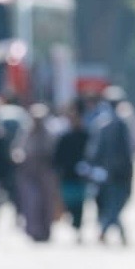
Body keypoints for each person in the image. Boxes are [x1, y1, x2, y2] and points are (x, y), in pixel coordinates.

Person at [86, 89, 135, 245]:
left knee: (113, 204)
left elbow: (94, 151)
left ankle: (108, 231)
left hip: (110, 172)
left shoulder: (104, 124)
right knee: (113, 204)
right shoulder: (114, 124)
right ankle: (107, 231)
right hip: (114, 173)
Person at [12, 104, 60, 242]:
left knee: (47, 203)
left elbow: (53, 152)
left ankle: (46, 230)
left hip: (46, 171)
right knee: (32, 202)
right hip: (28, 171)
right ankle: (34, 230)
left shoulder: (50, 133)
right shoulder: (26, 132)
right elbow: (18, 150)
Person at [53, 99, 91, 242]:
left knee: (80, 204)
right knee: (69, 202)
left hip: (81, 177)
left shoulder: (86, 136)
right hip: (67, 177)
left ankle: (78, 227)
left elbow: (91, 154)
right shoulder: (64, 137)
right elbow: (57, 158)